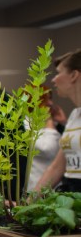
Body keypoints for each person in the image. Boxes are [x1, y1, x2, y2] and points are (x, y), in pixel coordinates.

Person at [36, 49, 81, 192]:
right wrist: (27, 205)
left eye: (58, 73)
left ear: (74, 75)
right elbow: (57, 167)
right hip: (71, 195)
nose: (53, 80)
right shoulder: (74, 115)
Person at [26, 90, 66, 190]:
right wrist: (49, 121)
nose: (50, 103)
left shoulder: (55, 125)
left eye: (50, 99)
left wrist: (63, 123)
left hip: (57, 186)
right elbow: (48, 148)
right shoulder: (25, 125)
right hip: (36, 188)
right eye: (45, 99)